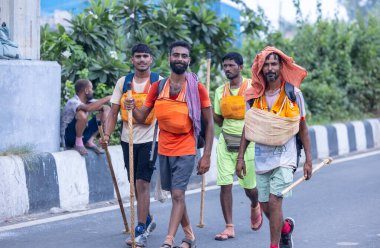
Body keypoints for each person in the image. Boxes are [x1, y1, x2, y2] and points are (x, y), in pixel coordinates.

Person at [125, 40, 214, 248]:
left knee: (177, 194)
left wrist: (207, 155)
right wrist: (131, 107)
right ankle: (189, 234)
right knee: (175, 193)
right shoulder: (158, 87)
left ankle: (168, 240)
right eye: (176, 55)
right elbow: (142, 116)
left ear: (189, 60)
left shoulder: (196, 88)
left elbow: (209, 124)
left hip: (186, 146)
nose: (180, 59)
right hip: (164, 147)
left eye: (184, 56)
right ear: (169, 58)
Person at [237, 46, 313, 248]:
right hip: (262, 157)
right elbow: (249, 127)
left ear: (281, 66)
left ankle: (274, 245)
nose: (270, 68)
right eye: (266, 64)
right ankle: (285, 229)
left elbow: (303, 128)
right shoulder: (253, 96)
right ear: (260, 69)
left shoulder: (293, 94)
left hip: (285, 157)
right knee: (264, 204)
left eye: (274, 63)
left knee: (274, 200)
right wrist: (240, 157)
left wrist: (308, 161)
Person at [101, 43, 161, 247]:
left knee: (142, 183)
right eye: (138, 56)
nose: (142, 60)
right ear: (132, 59)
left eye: (145, 56)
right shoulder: (123, 82)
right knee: (134, 184)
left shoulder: (159, 82)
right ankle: (149, 218)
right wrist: (107, 135)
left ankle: (140, 229)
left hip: (151, 140)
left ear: (151, 59)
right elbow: (113, 111)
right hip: (128, 140)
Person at [213, 52, 261, 241]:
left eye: (231, 65)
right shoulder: (219, 91)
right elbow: (218, 119)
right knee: (225, 184)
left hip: (248, 142)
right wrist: (207, 109)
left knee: (249, 187)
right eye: (225, 66)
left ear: (241, 67)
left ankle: (255, 203)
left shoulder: (252, 88)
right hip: (225, 141)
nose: (227, 69)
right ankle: (229, 227)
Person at [61, 79, 110, 156]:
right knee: (81, 113)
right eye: (91, 89)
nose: (92, 91)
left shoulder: (89, 101)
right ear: (86, 90)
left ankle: (89, 141)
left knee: (106, 108)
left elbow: (104, 107)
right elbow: (88, 108)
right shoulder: (72, 102)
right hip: (69, 137)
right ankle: (78, 143)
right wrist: (107, 98)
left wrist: (106, 134)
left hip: (83, 134)